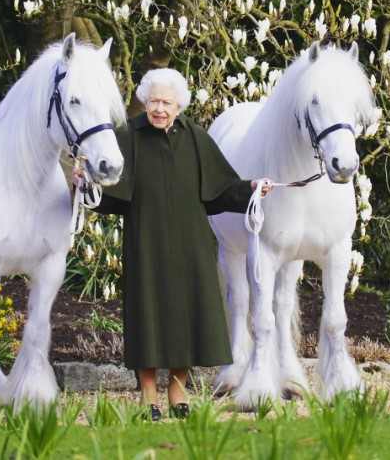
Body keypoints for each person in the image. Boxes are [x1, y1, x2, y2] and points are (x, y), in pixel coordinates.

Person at [73, 68, 273, 421]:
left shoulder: (195, 138)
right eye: (153, 101)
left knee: (187, 316)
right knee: (147, 316)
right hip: (145, 243)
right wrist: (84, 184)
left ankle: (177, 387)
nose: (159, 109)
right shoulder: (129, 136)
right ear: (144, 102)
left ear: (179, 105)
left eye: (166, 102)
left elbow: (222, 188)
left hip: (190, 244)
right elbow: (108, 193)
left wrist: (253, 187)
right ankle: (148, 391)